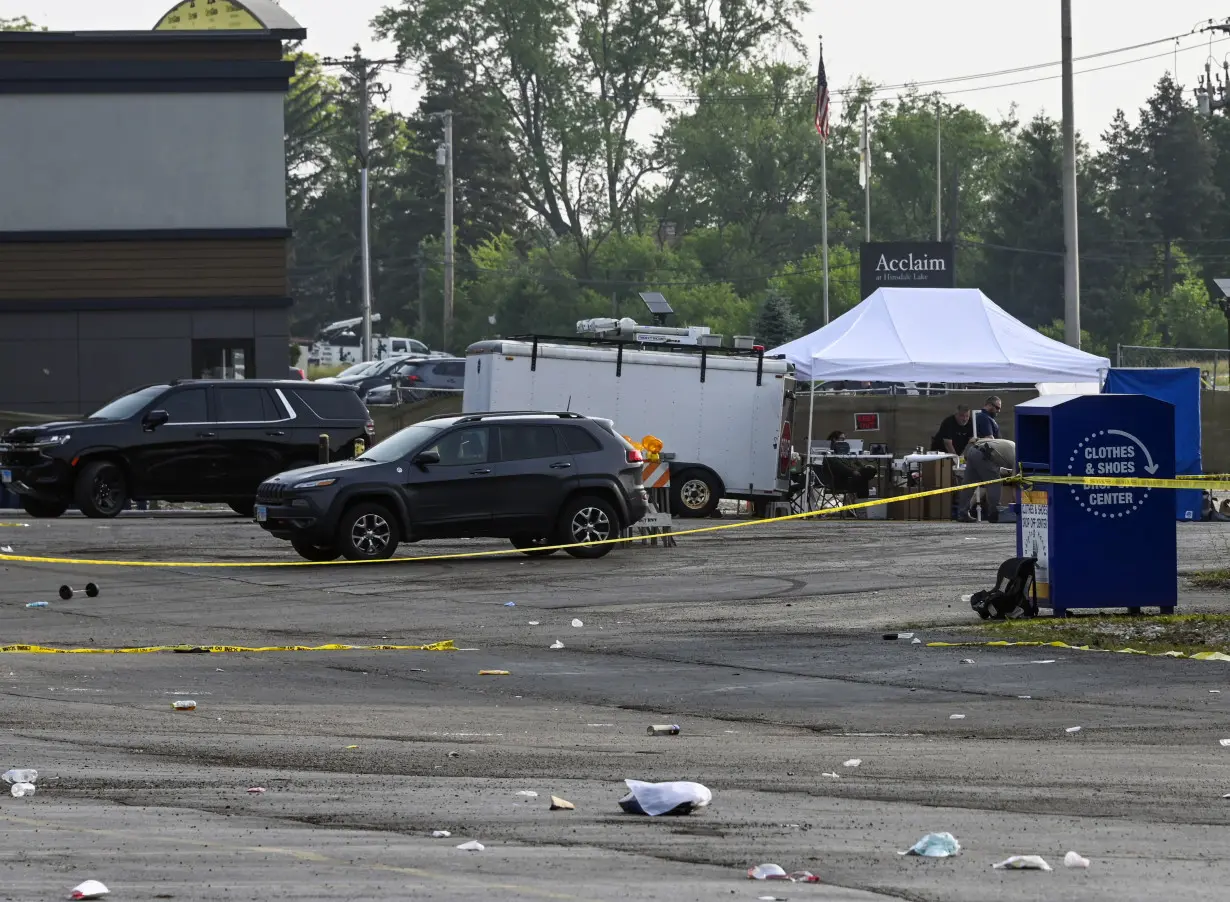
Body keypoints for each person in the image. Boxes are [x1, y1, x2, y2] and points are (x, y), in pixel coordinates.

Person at [958, 435, 1016, 523]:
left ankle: (962, 513)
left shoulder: (1011, 445)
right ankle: (994, 513)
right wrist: (1017, 502)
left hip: (973, 450)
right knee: (995, 483)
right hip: (986, 455)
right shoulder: (1018, 456)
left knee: (968, 484)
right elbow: (1015, 480)